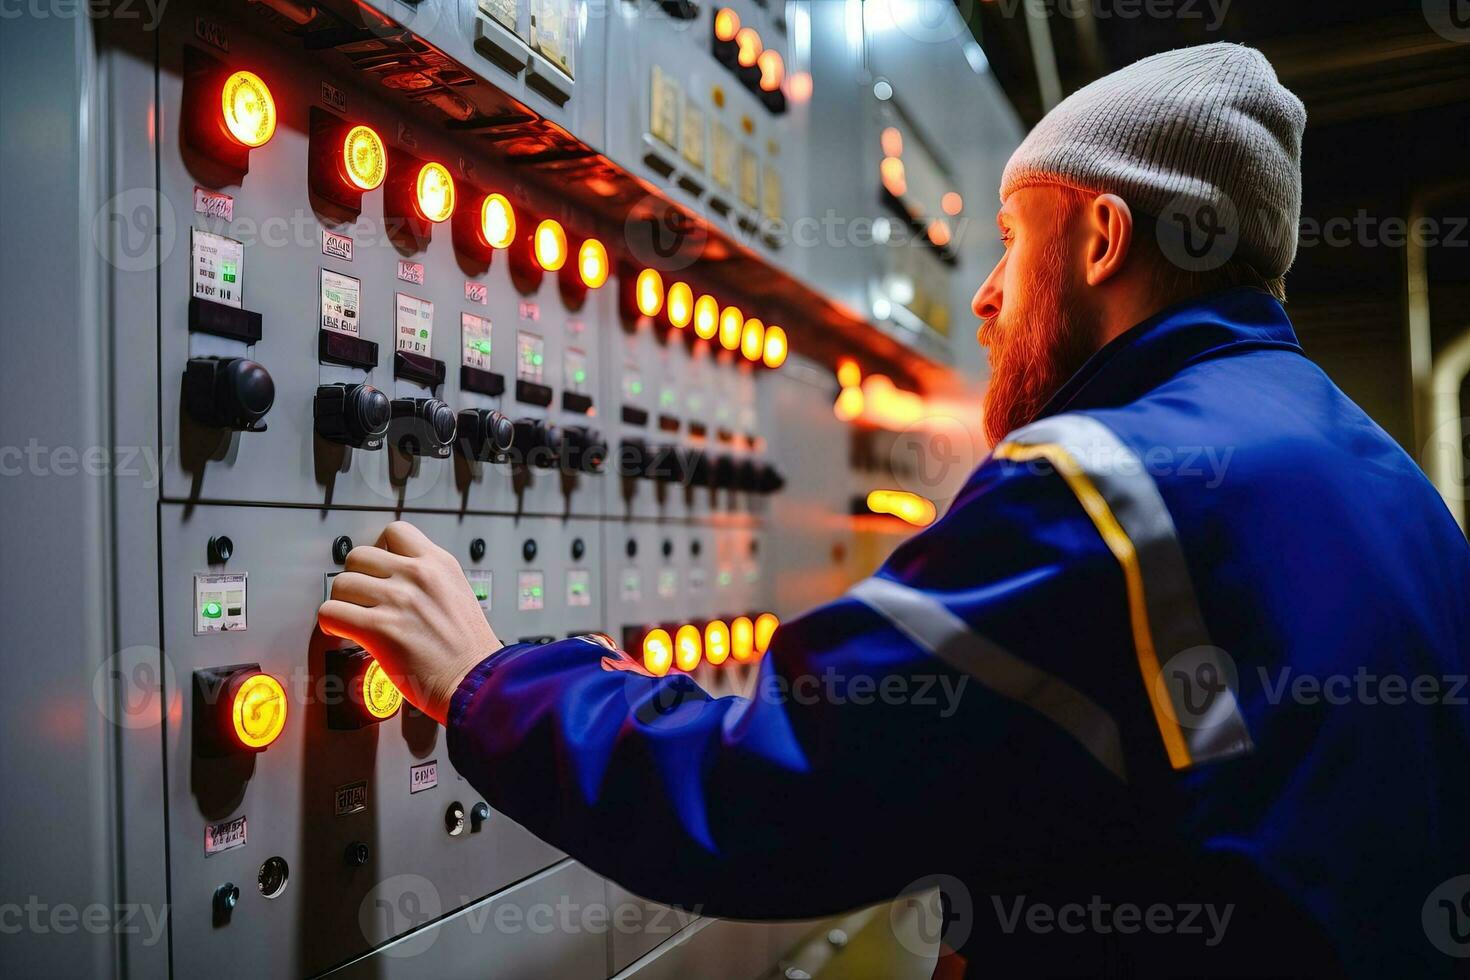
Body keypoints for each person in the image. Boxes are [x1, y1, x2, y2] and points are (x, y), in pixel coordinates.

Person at [319, 43, 1470, 977]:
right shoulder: (1393, 487)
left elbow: (764, 792)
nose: (983, 293)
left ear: (1105, 239)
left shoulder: (1107, 484)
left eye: (1015, 242)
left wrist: (484, 680)